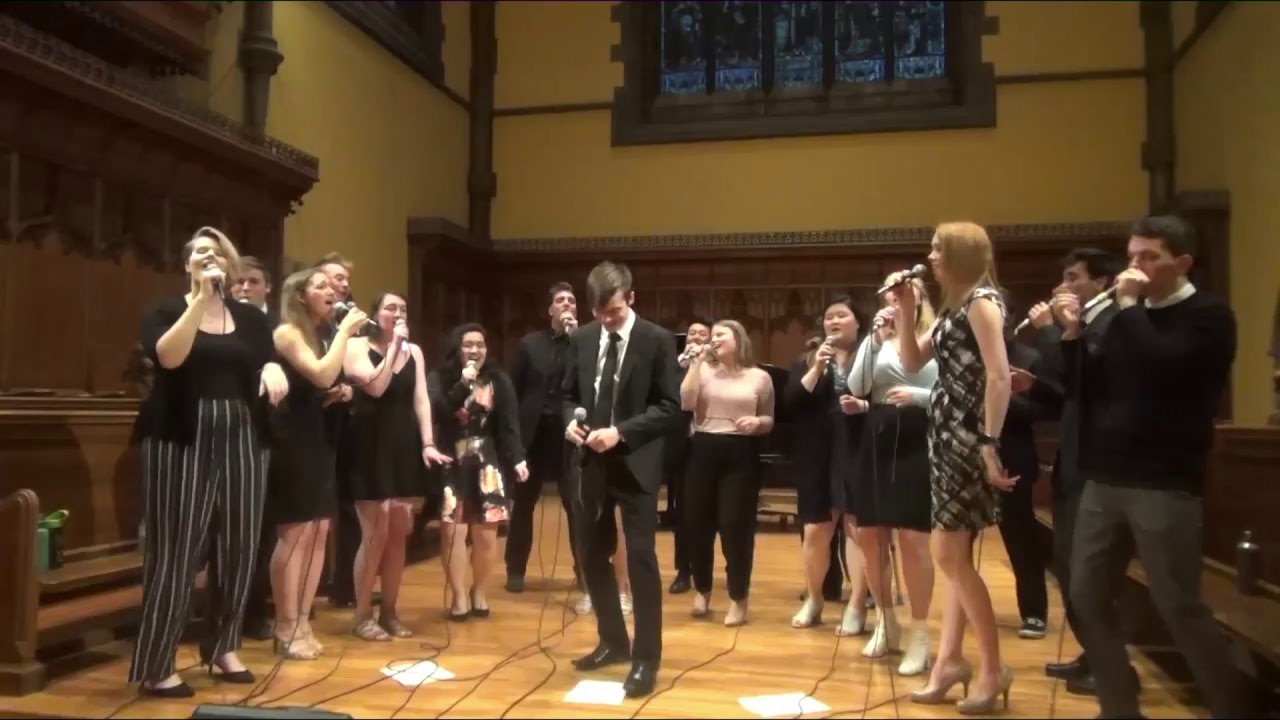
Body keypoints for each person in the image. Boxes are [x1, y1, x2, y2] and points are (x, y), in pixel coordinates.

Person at [1055, 215, 1255, 718]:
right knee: (1086, 596)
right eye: (1132, 256)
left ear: (1182, 263)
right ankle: (1119, 707)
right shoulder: (1125, 317)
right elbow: (1085, 390)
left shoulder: (1208, 316)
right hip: (1106, 476)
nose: (1136, 267)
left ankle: (1231, 707)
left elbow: (1163, 368)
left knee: (1177, 606)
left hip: (1164, 482)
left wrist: (1126, 309)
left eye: (1150, 257)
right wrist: (1074, 335)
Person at [130, 227, 288, 696]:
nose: (208, 258)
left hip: (243, 431)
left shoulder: (250, 318)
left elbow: (263, 360)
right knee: (175, 550)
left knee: (239, 545)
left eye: (216, 252)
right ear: (187, 265)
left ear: (229, 262)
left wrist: (272, 367)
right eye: (200, 253)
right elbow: (169, 359)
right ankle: (157, 662)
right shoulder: (164, 311)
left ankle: (223, 645)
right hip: (181, 433)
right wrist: (200, 299)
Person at [895, 221, 1016, 714]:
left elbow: (1000, 377)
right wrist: (906, 311)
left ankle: (992, 669)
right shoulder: (953, 307)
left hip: (967, 437)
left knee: (948, 554)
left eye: (938, 249)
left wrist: (989, 443)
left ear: (962, 254)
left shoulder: (982, 302)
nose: (931, 257)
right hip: (945, 435)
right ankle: (949, 662)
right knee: (954, 558)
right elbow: (910, 361)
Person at [562, 261, 683, 699]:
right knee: (592, 556)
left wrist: (622, 432)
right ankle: (613, 641)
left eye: (613, 311)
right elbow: (568, 395)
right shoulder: (582, 338)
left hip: (636, 462)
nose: (607, 320)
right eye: (599, 313)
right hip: (591, 462)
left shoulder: (657, 339)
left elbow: (670, 407)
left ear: (631, 298)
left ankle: (646, 659)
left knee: (641, 559)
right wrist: (570, 422)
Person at [1022, 247, 1121, 694]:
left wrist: (1051, 330)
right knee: (1066, 566)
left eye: (1073, 277)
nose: (1063, 287)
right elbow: (1064, 390)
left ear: (1101, 282)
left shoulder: (1111, 321)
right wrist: (1033, 386)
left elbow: (1084, 377)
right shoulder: (1085, 323)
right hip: (1074, 459)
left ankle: (1110, 665)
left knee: (1086, 573)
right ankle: (1092, 653)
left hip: (1097, 464)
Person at [266, 269, 366, 659]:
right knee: (294, 533)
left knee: (319, 531)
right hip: (292, 443)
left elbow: (323, 386)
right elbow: (321, 374)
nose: (331, 292)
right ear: (300, 296)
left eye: (331, 285)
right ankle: (285, 623)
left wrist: (342, 393)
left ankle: (303, 621)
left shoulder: (323, 335)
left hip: (321, 438)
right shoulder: (287, 333)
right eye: (320, 286)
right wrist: (346, 334)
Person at [343, 291, 451, 639]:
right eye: (390, 307)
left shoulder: (414, 351)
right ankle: (362, 615)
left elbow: (421, 400)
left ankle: (389, 612)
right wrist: (392, 348)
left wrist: (428, 443)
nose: (398, 313)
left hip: (403, 445)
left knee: (398, 536)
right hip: (369, 443)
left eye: (402, 308)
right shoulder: (355, 346)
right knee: (373, 536)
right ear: (376, 314)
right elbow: (376, 387)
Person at [846, 277, 938, 674]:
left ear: (919, 296)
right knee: (869, 535)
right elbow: (857, 386)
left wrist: (918, 396)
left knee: (914, 539)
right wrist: (873, 339)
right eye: (888, 293)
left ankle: (920, 632)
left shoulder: (936, 333)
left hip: (919, 435)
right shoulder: (879, 339)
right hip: (878, 437)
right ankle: (886, 619)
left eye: (901, 292)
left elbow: (959, 392)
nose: (893, 298)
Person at [784, 298, 872, 635]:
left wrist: (862, 405)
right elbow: (793, 401)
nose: (833, 321)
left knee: (855, 529)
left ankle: (856, 604)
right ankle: (815, 598)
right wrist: (818, 367)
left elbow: (881, 397)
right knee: (815, 531)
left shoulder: (871, 354)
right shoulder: (808, 359)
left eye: (841, 315)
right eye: (828, 317)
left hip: (856, 446)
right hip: (817, 450)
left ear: (857, 322)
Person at [679, 319, 775, 627]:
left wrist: (758, 423)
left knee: (736, 527)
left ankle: (738, 597)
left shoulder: (760, 377)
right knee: (697, 524)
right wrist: (695, 364)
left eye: (721, 334)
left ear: (738, 339)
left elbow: (769, 419)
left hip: (741, 453)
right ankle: (702, 590)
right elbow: (686, 402)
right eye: (714, 334)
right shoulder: (702, 371)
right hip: (703, 448)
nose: (715, 338)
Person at [428, 323, 527, 620]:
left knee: (485, 536)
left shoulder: (498, 379)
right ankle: (458, 595)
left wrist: (518, 458)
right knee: (453, 532)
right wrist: (462, 384)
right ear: (457, 349)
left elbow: (510, 424)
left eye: (480, 345)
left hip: (487, 463)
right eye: (468, 344)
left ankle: (479, 592)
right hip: (452, 459)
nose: (475, 350)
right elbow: (439, 412)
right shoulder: (440, 377)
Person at [506, 282, 579, 593]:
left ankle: (585, 570)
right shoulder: (530, 344)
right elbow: (513, 389)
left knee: (575, 504)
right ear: (550, 309)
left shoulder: (585, 342)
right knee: (523, 504)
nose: (566, 304)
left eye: (571, 300)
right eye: (560, 300)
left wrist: (577, 340)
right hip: (533, 435)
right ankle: (515, 570)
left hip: (569, 435)